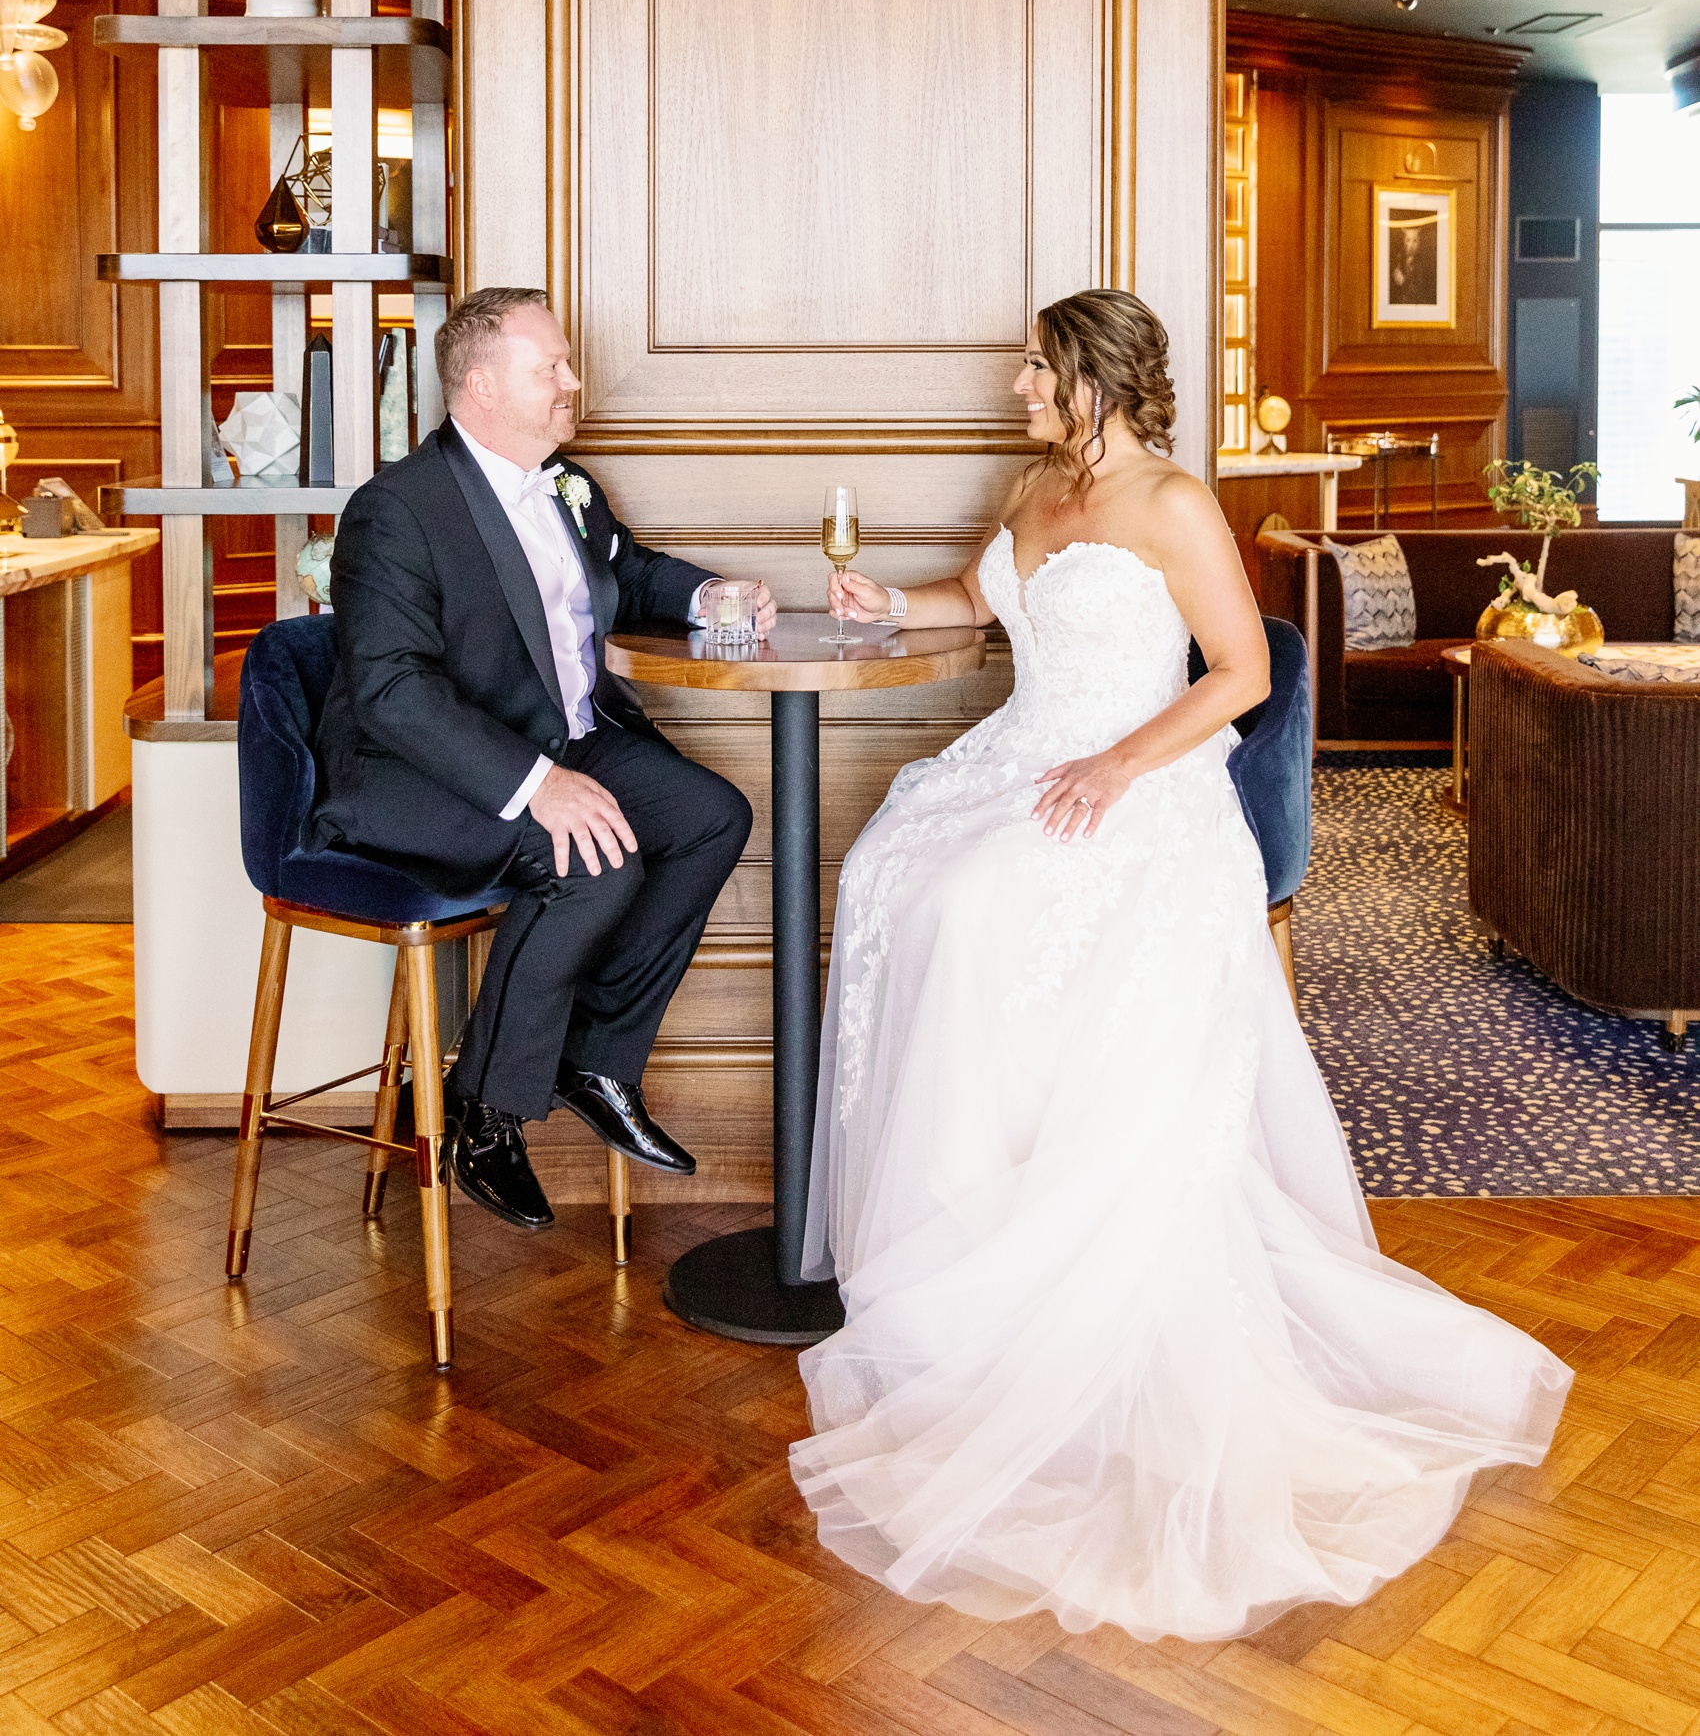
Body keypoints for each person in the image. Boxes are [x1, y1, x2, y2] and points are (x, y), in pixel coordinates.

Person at [790, 287, 1569, 1642]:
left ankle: (1026, 1263)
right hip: (1025, 758)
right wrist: (880, 601)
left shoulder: (1173, 501)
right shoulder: (1038, 490)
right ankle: (951, 1248)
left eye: (1037, 367)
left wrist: (1115, 760)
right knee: (887, 871)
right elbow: (971, 622)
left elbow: (1240, 676)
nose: (1020, 386)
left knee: (974, 902)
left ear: (1093, 377)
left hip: (1138, 785)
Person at [313, 286, 769, 1231]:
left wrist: (709, 593)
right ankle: (482, 1115)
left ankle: (593, 1057)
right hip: (420, 771)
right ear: (480, 386)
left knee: (712, 818)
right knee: (596, 863)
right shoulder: (396, 511)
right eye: (549, 368)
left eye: (566, 363)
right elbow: (393, 693)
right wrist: (539, 786)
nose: (572, 381)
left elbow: (626, 572)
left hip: (563, 735)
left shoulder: (569, 483)